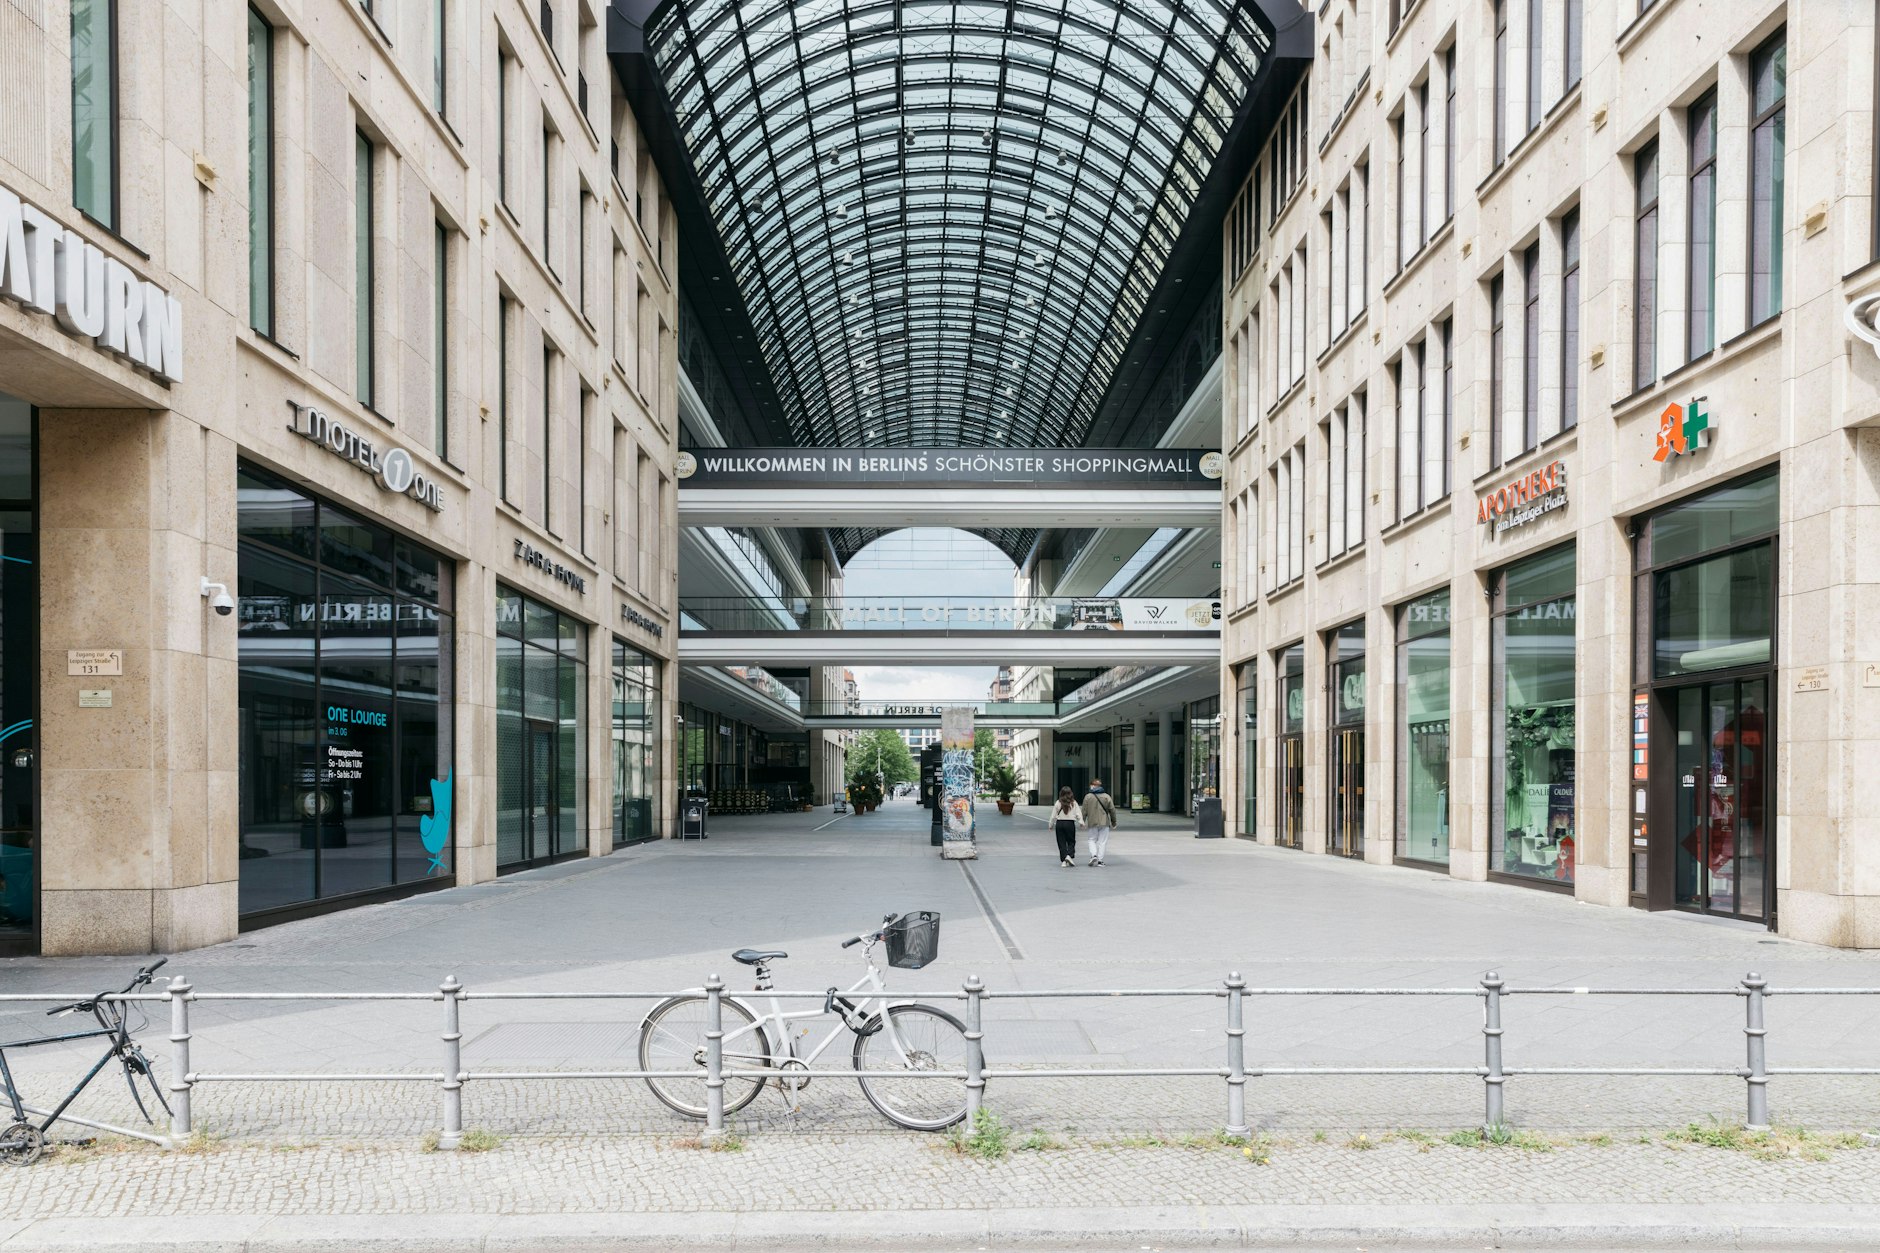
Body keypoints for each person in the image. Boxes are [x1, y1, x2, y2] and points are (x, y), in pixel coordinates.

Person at [1081, 778, 1118, 866]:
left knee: (1091, 840)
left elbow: (1084, 810)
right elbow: (1112, 810)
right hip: (1104, 822)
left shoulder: (1088, 797)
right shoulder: (1106, 796)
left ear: (1093, 786)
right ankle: (1100, 861)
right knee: (1102, 842)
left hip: (1092, 822)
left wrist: (1082, 821)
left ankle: (1094, 855)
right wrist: (1114, 822)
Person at [1048, 786, 1081, 868]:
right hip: (1070, 823)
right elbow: (1078, 813)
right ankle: (1069, 856)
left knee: (1061, 842)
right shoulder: (1073, 803)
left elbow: (1053, 815)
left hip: (1060, 823)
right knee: (1071, 841)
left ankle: (1064, 860)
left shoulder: (1058, 802)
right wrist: (1081, 822)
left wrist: (1051, 825)